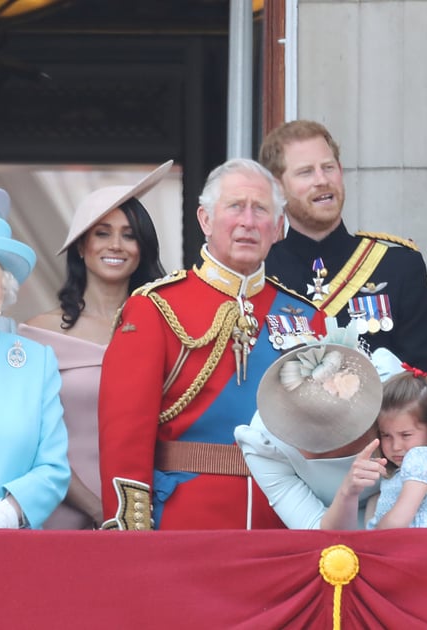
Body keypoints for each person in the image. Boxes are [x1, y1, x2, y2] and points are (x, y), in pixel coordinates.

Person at [97, 158, 324, 530]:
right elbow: (124, 439)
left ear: (279, 227)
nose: (248, 222)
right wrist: (131, 538)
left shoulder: (306, 316)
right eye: (235, 207)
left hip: (284, 527)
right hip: (185, 527)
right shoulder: (155, 307)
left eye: (261, 210)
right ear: (205, 220)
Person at [19, 161, 170, 530]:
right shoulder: (38, 335)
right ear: (82, 247)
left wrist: (130, 513)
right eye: (102, 233)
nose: (116, 245)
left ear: (143, 248)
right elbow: (29, 438)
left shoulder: (169, 329)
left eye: (129, 234)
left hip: (147, 518)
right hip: (59, 515)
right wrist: (97, 507)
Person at [236, 328, 427, 529]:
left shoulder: (386, 388)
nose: (316, 450)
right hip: (351, 546)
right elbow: (315, 530)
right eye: (305, 437)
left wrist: (423, 476)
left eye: (336, 435)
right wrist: (347, 493)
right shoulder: (264, 445)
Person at [259, 119, 427, 376]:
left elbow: (422, 383)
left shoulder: (398, 267)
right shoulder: (259, 274)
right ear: (277, 188)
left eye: (328, 168)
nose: (322, 180)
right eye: (306, 172)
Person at [0, 188, 71, 529]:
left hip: (8, 549)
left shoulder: (34, 362)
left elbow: (53, 468)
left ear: (4, 288)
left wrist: (5, 514)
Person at [363, 366, 427, 529]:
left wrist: (369, 541)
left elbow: (398, 520)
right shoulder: (396, 473)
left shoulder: (422, 457)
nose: (396, 446)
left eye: (406, 435)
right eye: (386, 435)